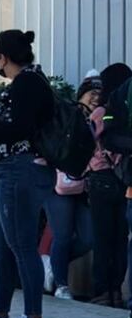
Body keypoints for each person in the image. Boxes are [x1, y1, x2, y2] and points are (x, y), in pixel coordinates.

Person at [0, 29, 54, 318]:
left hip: (19, 171)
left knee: (22, 245)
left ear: (4, 56)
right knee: (0, 244)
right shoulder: (26, 82)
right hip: (6, 172)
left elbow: (20, 128)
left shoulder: (28, 83)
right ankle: (0, 312)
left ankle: (34, 317)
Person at [43, 75, 99, 300]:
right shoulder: (67, 115)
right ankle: (61, 285)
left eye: (99, 95)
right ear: (81, 95)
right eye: (91, 94)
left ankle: (52, 264)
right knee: (62, 235)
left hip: (83, 186)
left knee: (88, 239)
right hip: (59, 183)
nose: (96, 98)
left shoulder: (98, 119)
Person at [85, 63, 131, 308]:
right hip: (124, 178)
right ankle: (118, 291)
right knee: (121, 239)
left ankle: (102, 291)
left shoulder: (100, 112)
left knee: (102, 238)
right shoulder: (126, 110)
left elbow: (88, 142)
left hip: (100, 178)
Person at [97, 72, 132, 318]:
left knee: (113, 241)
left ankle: (115, 295)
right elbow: (108, 133)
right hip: (125, 183)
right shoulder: (125, 91)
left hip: (116, 182)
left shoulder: (122, 92)